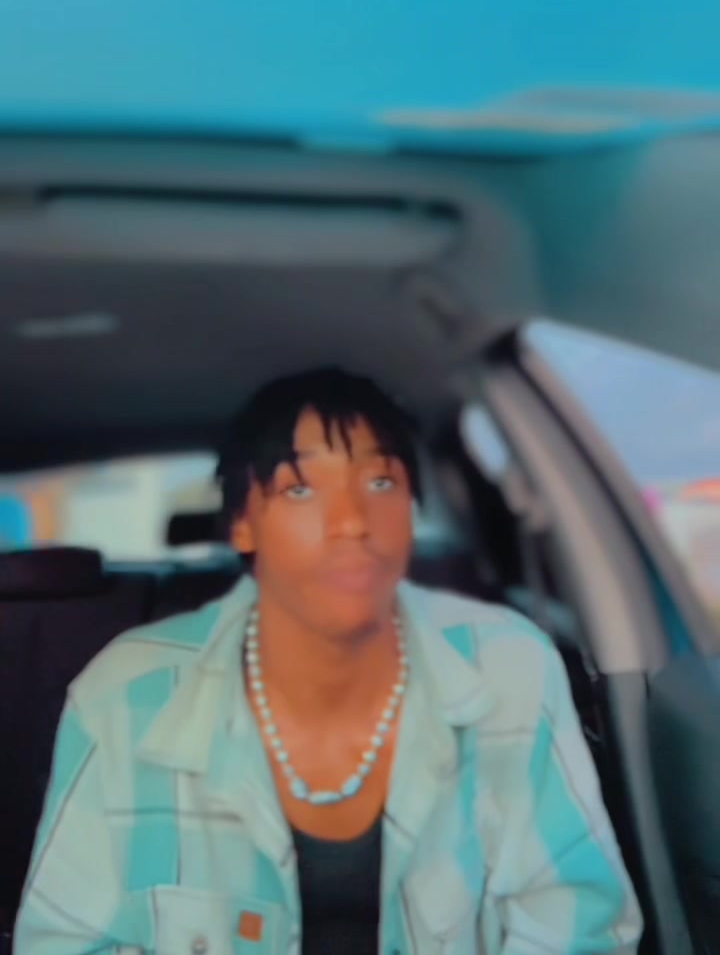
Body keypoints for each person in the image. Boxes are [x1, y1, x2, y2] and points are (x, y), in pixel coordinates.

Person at [15, 367, 643, 954]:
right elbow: (65, 941)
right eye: (300, 488)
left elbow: (575, 920)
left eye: (380, 483)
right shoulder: (125, 696)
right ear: (242, 525)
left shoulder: (507, 666)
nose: (350, 521)